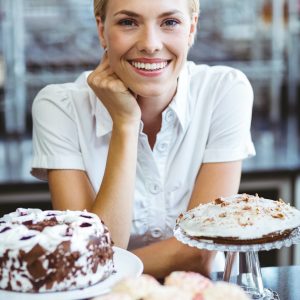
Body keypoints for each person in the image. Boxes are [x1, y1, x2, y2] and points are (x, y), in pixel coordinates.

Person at [31, 0, 255, 278]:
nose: (150, 44)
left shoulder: (225, 91)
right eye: (128, 22)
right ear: (102, 30)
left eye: (170, 22)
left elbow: (200, 252)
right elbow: (87, 254)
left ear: (192, 28)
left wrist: (103, 266)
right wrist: (125, 124)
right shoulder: (59, 106)